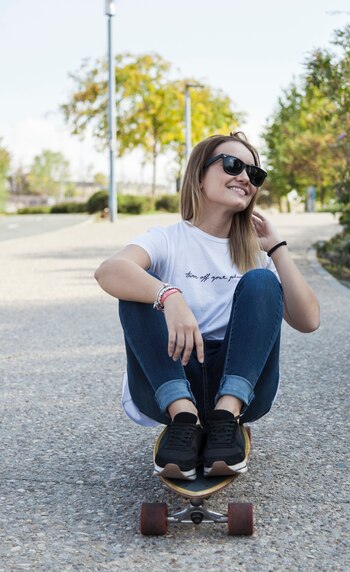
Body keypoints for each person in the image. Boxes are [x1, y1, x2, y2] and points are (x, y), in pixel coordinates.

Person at [94, 131, 320, 481]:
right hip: (169, 379)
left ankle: (225, 418)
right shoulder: (168, 239)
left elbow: (309, 321)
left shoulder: (258, 255)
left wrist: (278, 248)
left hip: (240, 387)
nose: (245, 177)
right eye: (233, 165)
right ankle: (184, 417)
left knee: (261, 282)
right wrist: (170, 296)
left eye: (254, 174)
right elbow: (109, 271)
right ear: (200, 176)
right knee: (138, 284)